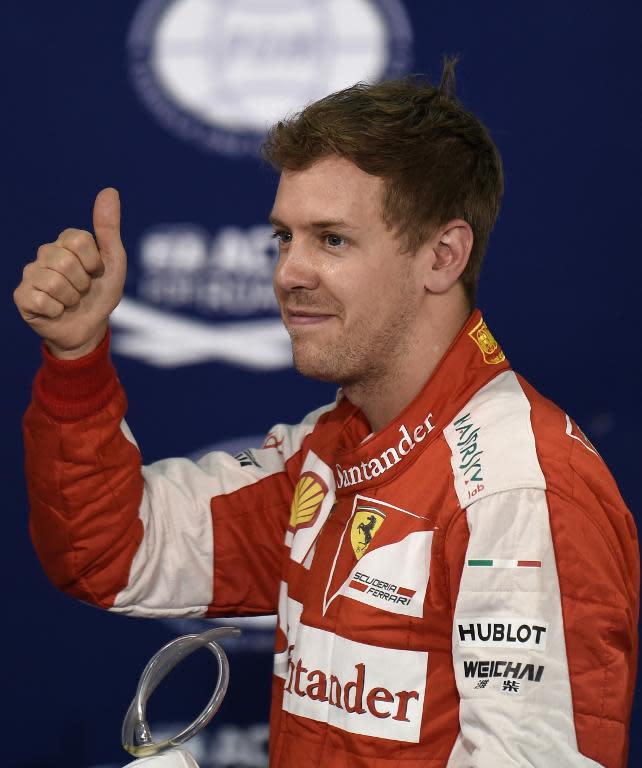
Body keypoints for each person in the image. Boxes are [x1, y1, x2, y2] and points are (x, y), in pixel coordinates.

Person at [14, 61, 639, 767]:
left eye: (331, 239)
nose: (288, 272)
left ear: (442, 257)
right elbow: (112, 552)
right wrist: (77, 361)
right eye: (285, 237)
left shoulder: (519, 490)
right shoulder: (329, 450)